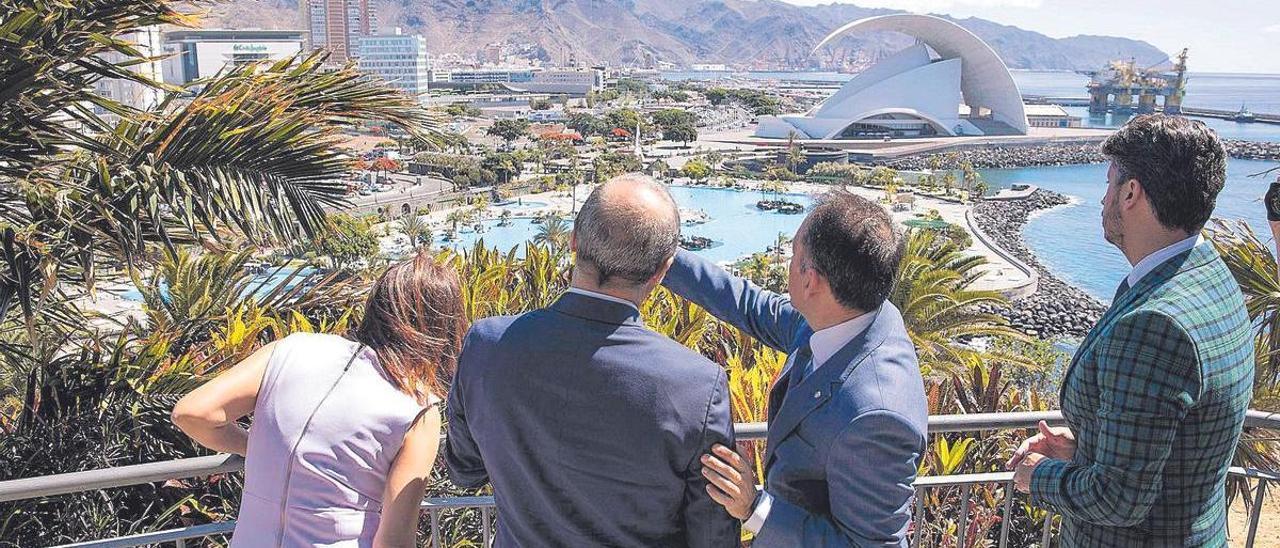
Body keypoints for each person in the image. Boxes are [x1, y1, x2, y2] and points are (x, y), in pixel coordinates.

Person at [445, 175, 739, 547]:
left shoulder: (486, 345)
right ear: (663, 271)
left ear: (573, 241)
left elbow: (464, 470)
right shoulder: (697, 385)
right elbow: (712, 534)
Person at [1008, 114, 1255, 546]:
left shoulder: (1154, 324)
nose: (1102, 200)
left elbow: (1118, 500)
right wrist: (1088, 446)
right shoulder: (1212, 277)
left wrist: (1038, 476)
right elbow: (1178, 440)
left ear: (1130, 193)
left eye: (1108, 185)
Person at [662, 190, 928, 546]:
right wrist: (661, 254)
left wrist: (755, 507)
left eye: (793, 255)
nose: (787, 263)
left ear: (811, 281)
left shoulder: (876, 416)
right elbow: (749, 305)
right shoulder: (852, 316)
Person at [172, 252, 466, 547]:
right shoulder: (416, 407)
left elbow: (192, 413)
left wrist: (263, 448)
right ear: (443, 328)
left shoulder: (290, 349)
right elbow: (394, 541)